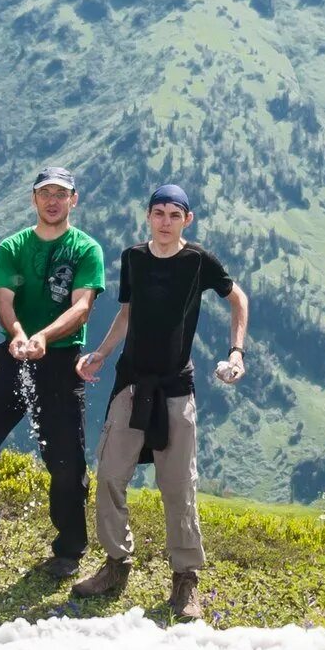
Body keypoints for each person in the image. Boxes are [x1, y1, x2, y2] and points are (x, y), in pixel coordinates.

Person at [73, 185, 251, 621]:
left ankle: (185, 579)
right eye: (159, 213)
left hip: (176, 387)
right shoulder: (133, 258)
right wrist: (101, 352)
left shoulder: (198, 262)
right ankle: (117, 563)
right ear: (148, 217)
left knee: (178, 486)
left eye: (175, 214)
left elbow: (238, 298)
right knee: (111, 475)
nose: (166, 221)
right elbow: (128, 311)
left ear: (187, 220)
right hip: (131, 385)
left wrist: (236, 352)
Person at [0, 167, 103, 569]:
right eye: (45, 193)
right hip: (15, 354)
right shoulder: (13, 246)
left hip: (60, 362)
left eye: (61, 193)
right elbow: (4, 300)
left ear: (74, 199)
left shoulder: (86, 249)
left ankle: (69, 550)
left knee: (67, 464)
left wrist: (44, 337)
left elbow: (82, 306)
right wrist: (19, 334)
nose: (53, 200)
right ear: (34, 199)